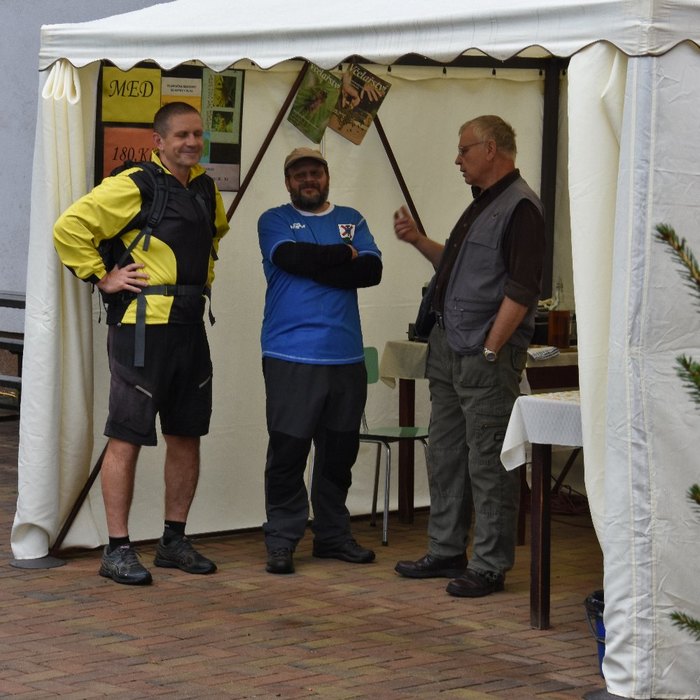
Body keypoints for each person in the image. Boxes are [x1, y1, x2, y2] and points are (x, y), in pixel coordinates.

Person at [53, 102, 230, 585]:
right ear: (159, 141)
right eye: (181, 135)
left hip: (189, 326)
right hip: (141, 328)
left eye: (197, 134)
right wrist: (102, 276)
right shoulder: (137, 184)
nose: (191, 143)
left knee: (186, 433)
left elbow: (213, 240)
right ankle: (117, 549)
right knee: (127, 435)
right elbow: (69, 227)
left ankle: (173, 541)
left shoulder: (206, 188)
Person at [393, 115, 545, 597]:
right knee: (444, 453)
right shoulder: (483, 204)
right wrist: (418, 240)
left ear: (491, 149)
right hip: (449, 347)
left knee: (488, 458)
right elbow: (456, 269)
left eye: (464, 150)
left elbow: (522, 289)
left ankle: (490, 564)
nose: (457, 160)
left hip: (484, 353)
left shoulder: (521, 208)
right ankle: (446, 549)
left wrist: (492, 346)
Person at [258, 147, 383, 574]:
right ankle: (281, 539)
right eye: (299, 175)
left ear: (327, 176)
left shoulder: (352, 218)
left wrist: (316, 261)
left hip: (346, 356)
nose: (308, 180)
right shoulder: (274, 220)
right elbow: (289, 258)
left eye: (315, 172)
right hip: (290, 353)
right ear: (287, 182)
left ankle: (332, 536)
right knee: (289, 450)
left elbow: (371, 272)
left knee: (338, 453)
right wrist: (344, 254)